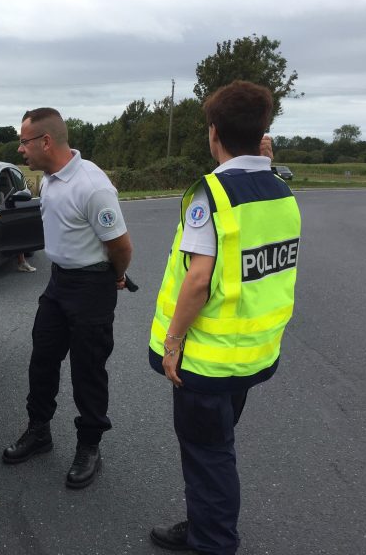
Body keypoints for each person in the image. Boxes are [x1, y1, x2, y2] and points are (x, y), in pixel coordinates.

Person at [148, 81, 301, 554]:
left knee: (209, 457)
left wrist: (173, 343)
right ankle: (202, 526)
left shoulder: (210, 197)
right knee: (216, 450)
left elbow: (198, 279)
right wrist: (262, 159)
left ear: (213, 132)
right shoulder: (277, 189)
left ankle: (212, 542)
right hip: (251, 354)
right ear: (263, 134)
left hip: (208, 361)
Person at [2, 107, 133, 489]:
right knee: (42, 358)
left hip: (91, 286)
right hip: (59, 283)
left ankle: (89, 445)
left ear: (45, 141)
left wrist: (117, 275)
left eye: (24, 141)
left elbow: (121, 245)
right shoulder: (49, 179)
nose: (20, 149)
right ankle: (39, 431)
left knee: (88, 369)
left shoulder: (92, 186)